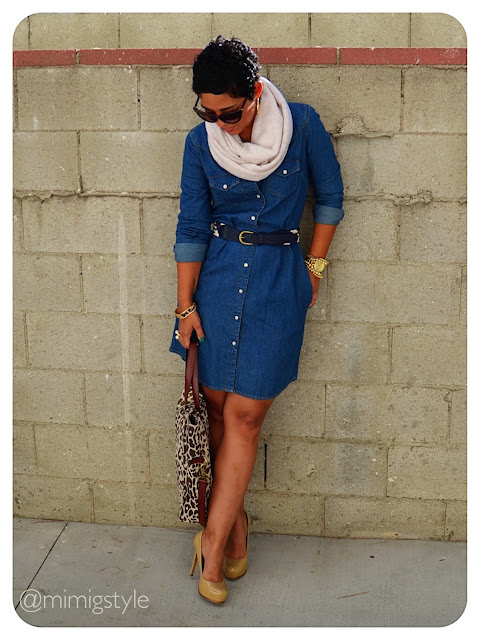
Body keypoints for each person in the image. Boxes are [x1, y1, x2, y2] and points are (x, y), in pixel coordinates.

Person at [169, 35, 344, 604]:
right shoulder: (200, 143)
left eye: (229, 112)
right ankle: (237, 527)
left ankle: (211, 546)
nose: (219, 123)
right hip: (217, 284)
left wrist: (314, 266)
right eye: (208, 113)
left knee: (245, 417)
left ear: (255, 94)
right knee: (219, 416)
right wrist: (185, 306)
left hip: (276, 285)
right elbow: (191, 226)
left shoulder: (303, 124)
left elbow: (331, 198)